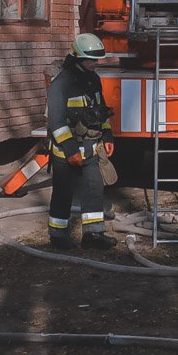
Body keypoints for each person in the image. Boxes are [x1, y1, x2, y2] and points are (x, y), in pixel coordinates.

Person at [47, 33, 118, 250]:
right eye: (91, 60)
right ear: (78, 57)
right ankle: (58, 236)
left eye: (97, 60)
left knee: (94, 189)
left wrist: (107, 136)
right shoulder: (60, 84)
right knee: (63, 192)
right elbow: (56, 122)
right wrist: (70, 150)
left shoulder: (93, 79)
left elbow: (101, 111)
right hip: (66, 150)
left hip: (91, 146)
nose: (95, 63)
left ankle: (93, 235)